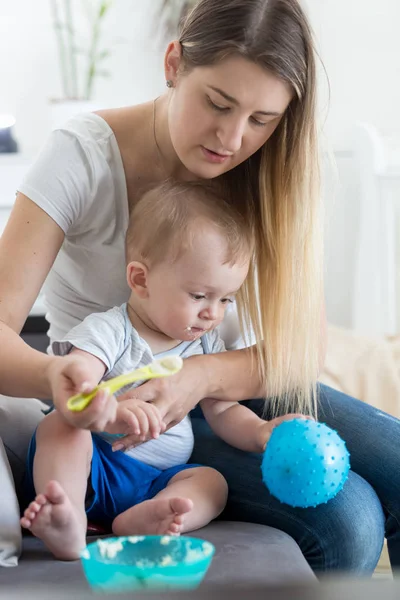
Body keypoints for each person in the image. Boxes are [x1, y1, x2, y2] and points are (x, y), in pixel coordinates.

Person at [0, 0, 398, 574]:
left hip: (229, 387)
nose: (233, 138)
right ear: (173, 64)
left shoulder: (270, 174)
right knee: (351, 521)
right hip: (124, 417)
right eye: (218, 103)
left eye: (262, 120)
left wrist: (197, 377)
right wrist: (54, 377)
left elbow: (300, 353)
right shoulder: (81, 157)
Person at [21, 180, 308, 560]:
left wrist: (259, 433)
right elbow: (77, 385)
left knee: (210, 483)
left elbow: (221, 411)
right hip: (97, 465)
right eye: (199, 296)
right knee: (58, 427)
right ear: (141, 279)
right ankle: (67, 517)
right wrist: (111, 411)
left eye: (226, 299)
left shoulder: (205, 343)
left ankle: (149, 517)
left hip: (155, 481)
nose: (213, 313)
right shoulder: (110, 330)